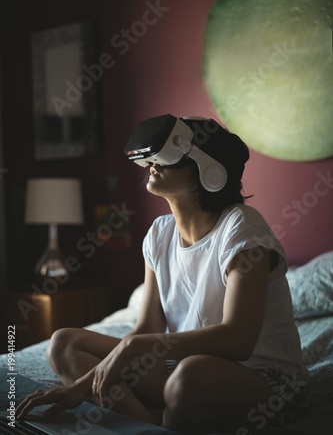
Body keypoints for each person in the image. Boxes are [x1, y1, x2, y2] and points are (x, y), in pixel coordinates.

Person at [17, 116, 308, 434]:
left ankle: (157, 418)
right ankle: (152, 425)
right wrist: (83, 385)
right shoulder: (159, 233)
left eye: (172, 158)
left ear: (210, 172)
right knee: (63, 343)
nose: (154, 165)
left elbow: (239, 341)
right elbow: (148, 327)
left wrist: (133, 349)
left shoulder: (242, 228)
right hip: (183, 369)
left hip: (263, 382)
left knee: (190, 375)